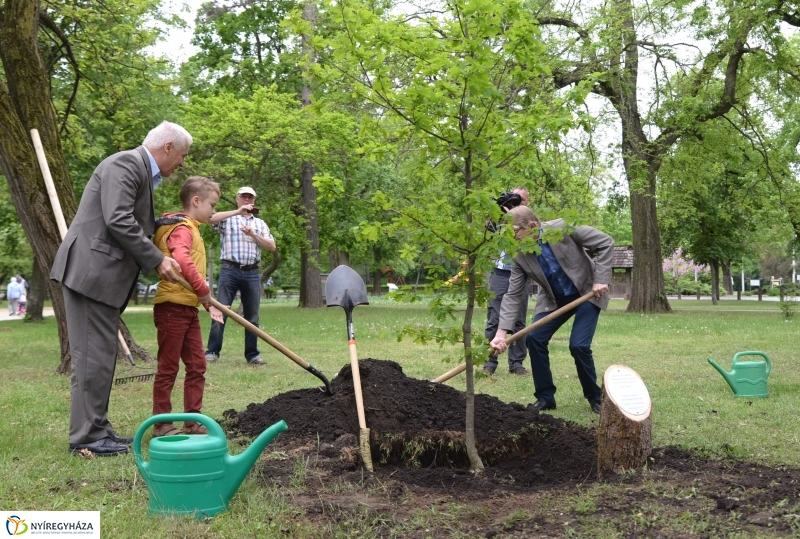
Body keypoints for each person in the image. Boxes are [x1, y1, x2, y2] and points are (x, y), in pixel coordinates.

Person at [50, 121, 187, 456]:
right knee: (92, 358)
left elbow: (126, 218)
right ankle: (87, 437)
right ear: (168, 147)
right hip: (91, 274)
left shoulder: (137, 169)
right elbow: (118, 219)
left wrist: (159, 224)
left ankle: (97, 429)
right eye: (183, 155)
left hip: (99, 276)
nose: (182, 163)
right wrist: (156, 259)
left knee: (100, 356)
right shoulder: (126, 163)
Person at [490, 205, 613, 414]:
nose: (513, 239)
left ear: (532, 225)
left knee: (578, 345)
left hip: (587, 292)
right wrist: (501, 334)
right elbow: (513, 294)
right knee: (535, 338)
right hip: (554, 299)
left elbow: (605, 242)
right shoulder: (519, 254)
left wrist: (600, 279)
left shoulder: (563, 228)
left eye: (515, 232)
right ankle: (545, 397)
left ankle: (595, 398)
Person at [151, 177, 224, 437]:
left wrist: (205, 302)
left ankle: (192, 421)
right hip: (171, 307)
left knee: (197, 365)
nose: (213, 211)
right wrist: (203, 291)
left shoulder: (192, 227)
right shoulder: (181, 228)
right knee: (168, 367)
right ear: (196, 201)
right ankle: (162, 425)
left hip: (188, 307)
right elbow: (181, 258)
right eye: (212, 205)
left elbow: (190, 276)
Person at [205, 186, 276, 365]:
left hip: (252, 272)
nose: (247, 200)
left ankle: (252, 355)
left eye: (250, 197)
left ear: (254, 201)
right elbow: (210, 218)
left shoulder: (260, 224)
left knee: (252, 316)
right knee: (221, 310)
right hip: (230, 269)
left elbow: (271, 246)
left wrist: (254, 235)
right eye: (243, 197)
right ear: (237, 199)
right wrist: (237, 212)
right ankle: (212, 352)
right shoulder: (228, 219)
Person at [484, 186, 531, 376]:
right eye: (513, 199)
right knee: (494, 318)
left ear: (527, 202)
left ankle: (516, 363)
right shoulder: (500, 217)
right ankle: (489, 361)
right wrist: (497, 212)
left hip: (521, 272)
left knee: (519, 320)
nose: (516, 203)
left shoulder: (530, 221)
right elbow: (488, 231)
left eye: (520, 199)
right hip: (499, 272)